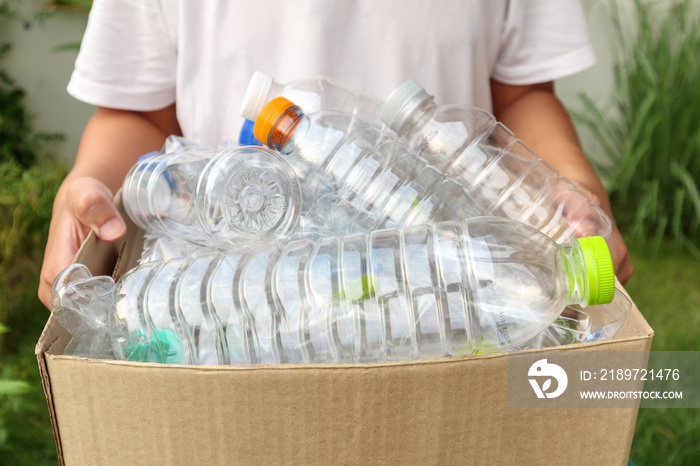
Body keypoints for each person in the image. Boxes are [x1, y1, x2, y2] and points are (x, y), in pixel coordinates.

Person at [38, 0, 633, 308]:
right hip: (241, 284)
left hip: (458, 277)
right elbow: (139, 112)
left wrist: (570, 182)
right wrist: (92, 181)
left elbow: (522, 92)